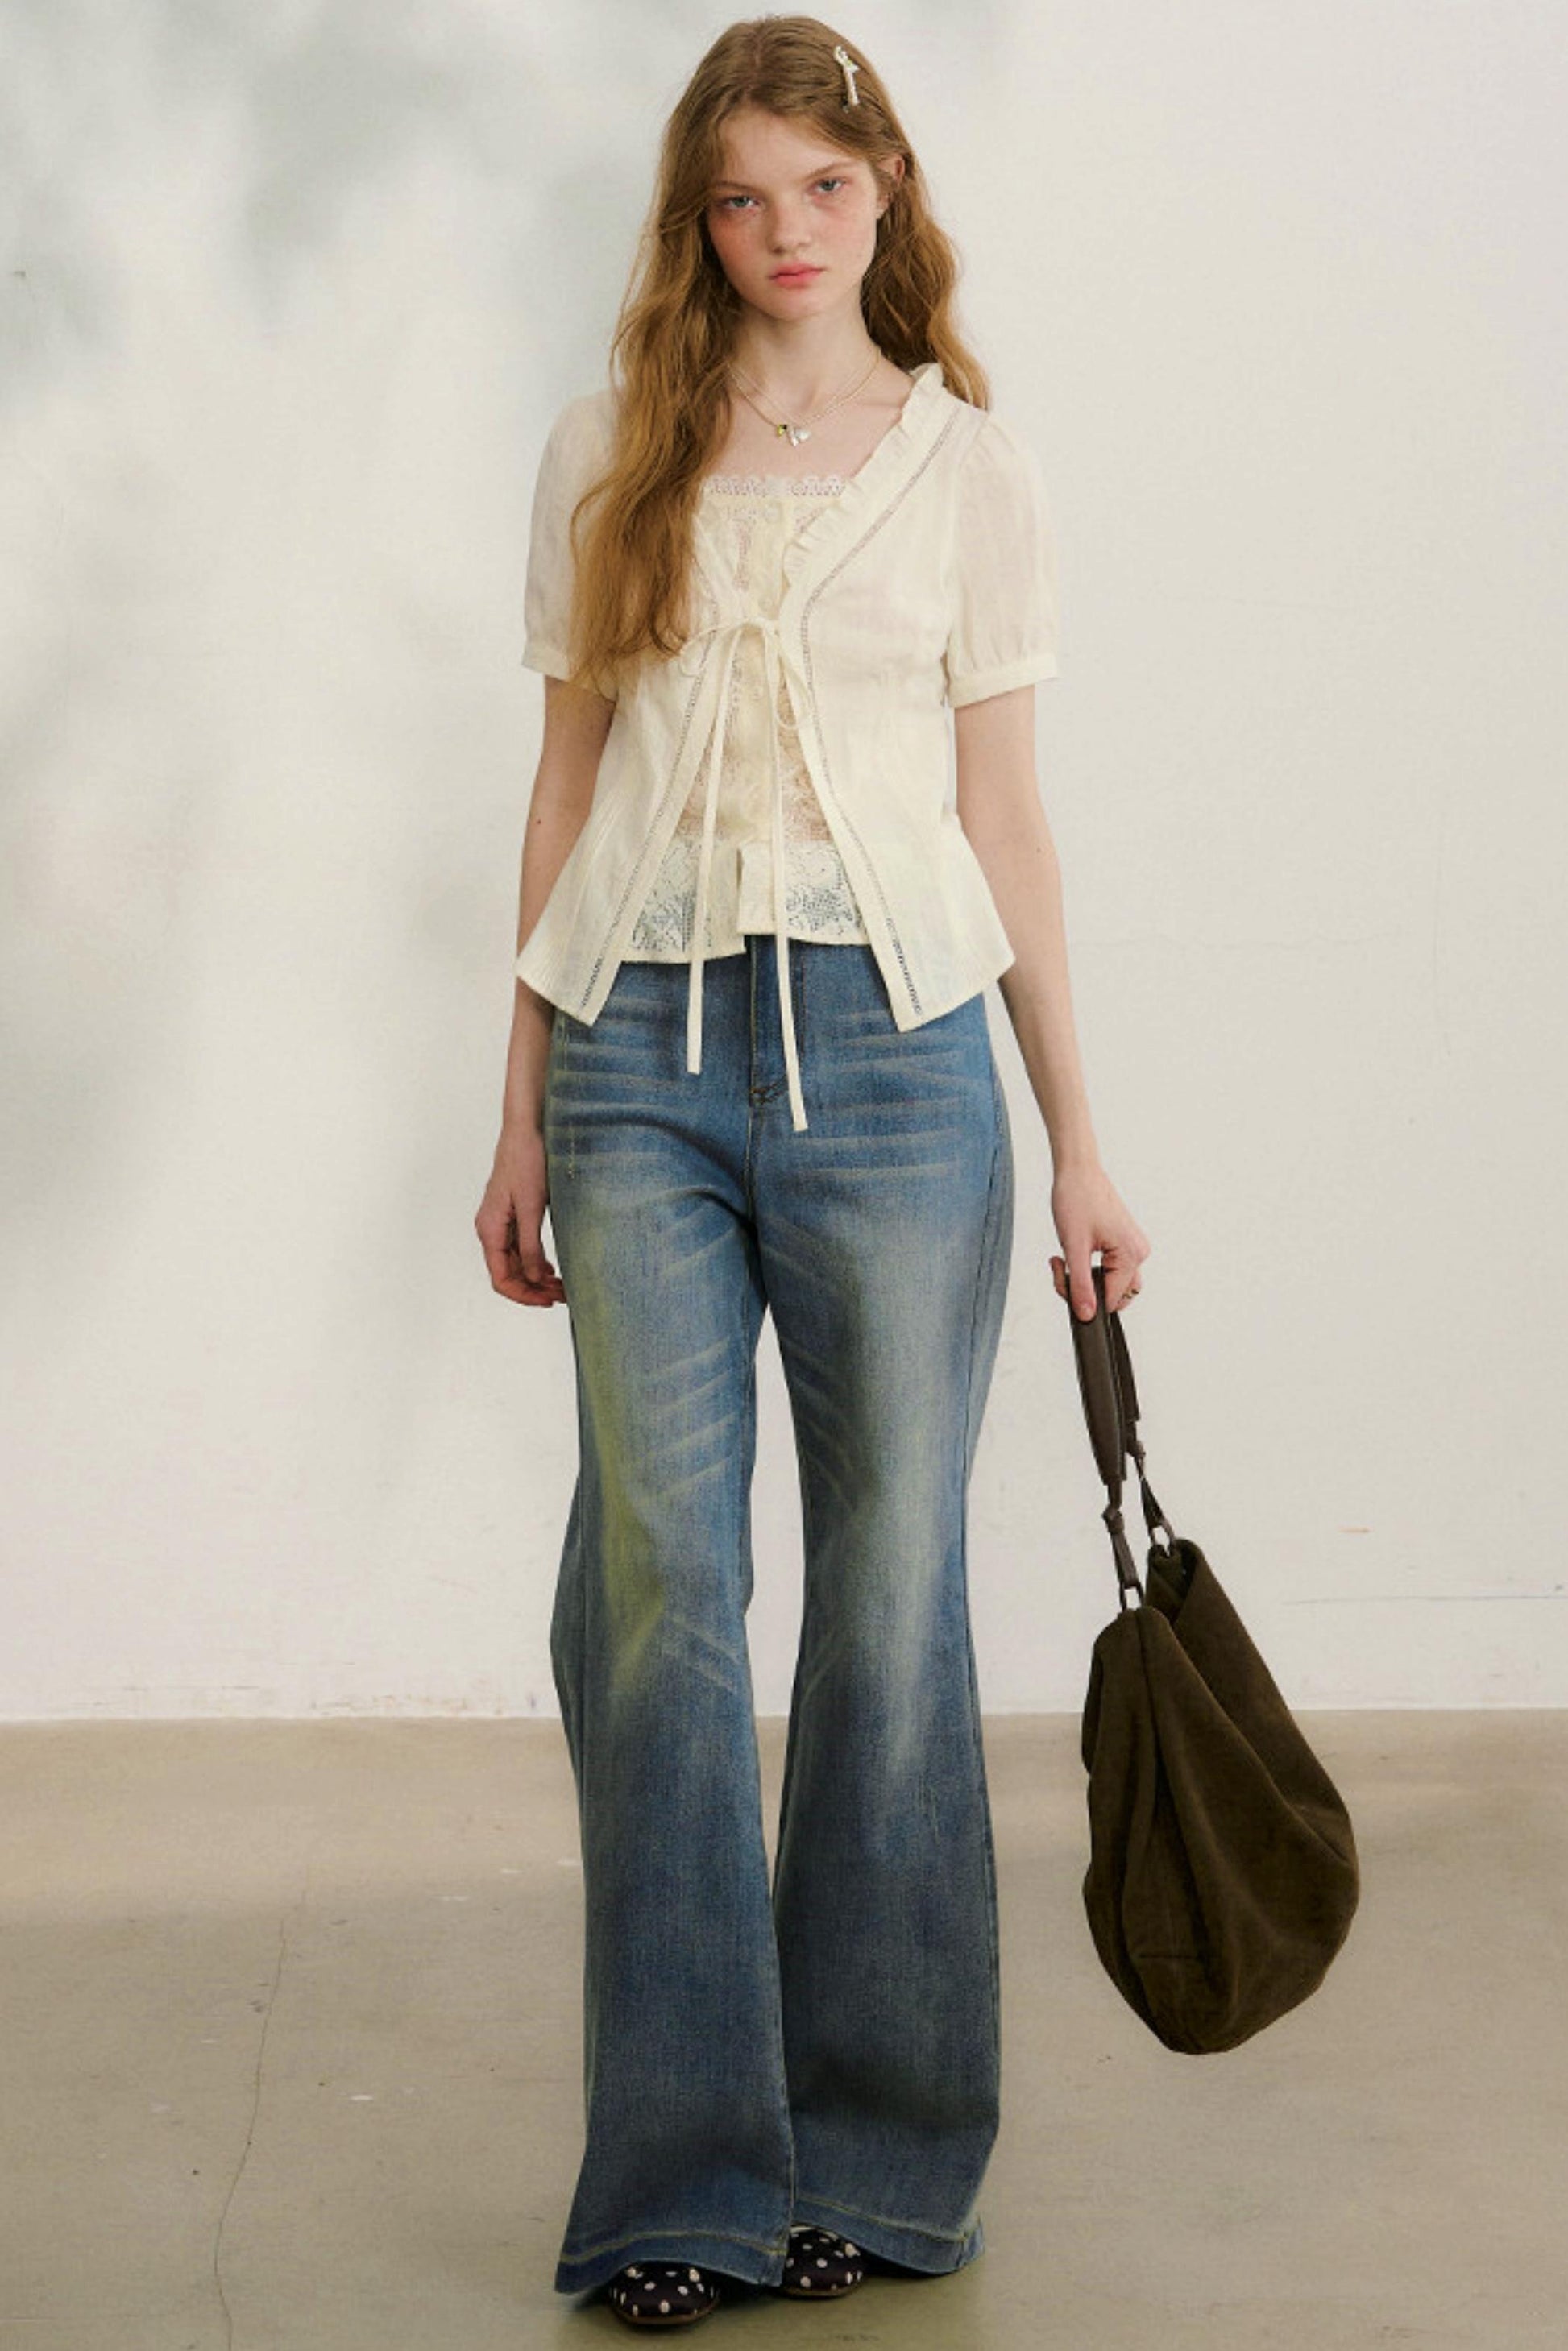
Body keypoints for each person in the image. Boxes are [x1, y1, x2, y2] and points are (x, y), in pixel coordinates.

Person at [475, 18, 1150, 2331]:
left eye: (825, 191)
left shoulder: (970, 467)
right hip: (637, 1062)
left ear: (886, 200)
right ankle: (679, 2185)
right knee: (659, 1597)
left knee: (888, 1598)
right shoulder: (609, 447)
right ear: (700, 215)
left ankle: (877, 2155)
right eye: (745, 197)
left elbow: (1007, 822)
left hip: (896, 1061)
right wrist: (517, 1103)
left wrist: (1081, 1143)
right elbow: (564, 788)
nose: (787, 234)